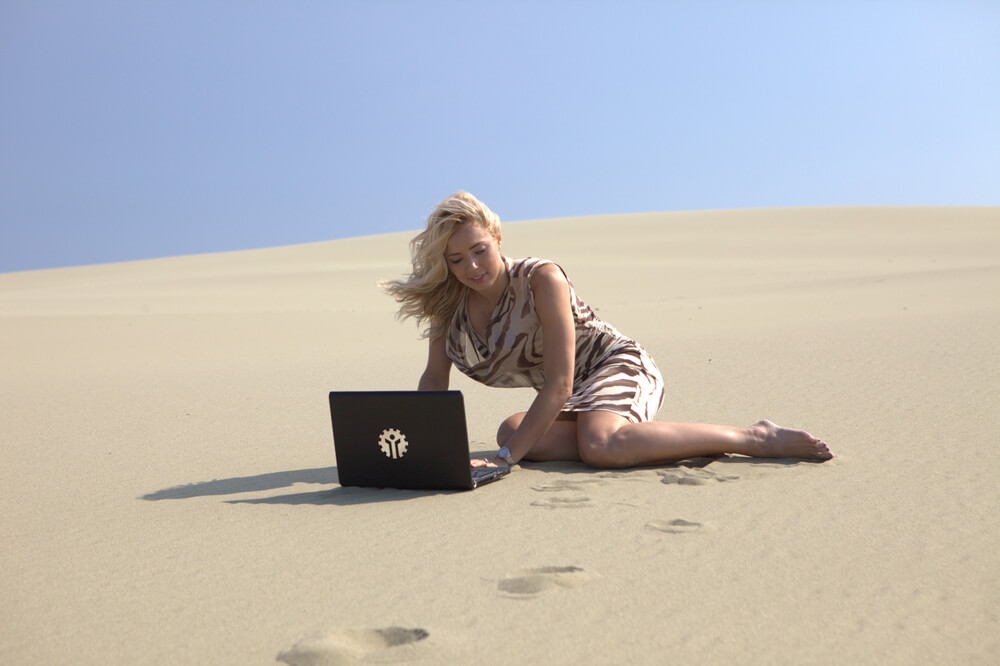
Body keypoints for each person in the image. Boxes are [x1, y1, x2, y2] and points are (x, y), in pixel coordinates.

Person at [381, 192, 832, 470]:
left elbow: (560, 381)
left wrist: (505, 461)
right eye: (456, 259)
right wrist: (421, 452)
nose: (472, 267)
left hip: (615, 364)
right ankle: (629, 439)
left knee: (597, 446)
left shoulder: (540, 279)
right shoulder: (449, 307)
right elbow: (434, 381)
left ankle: (753, 438)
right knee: (511, 430)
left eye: (479, 250)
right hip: (573, 393)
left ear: (498, 239)